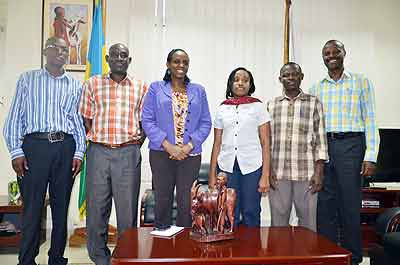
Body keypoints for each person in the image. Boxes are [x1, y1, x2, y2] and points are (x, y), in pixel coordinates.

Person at [3, 36, 86, 265]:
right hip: (34, 148)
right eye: (55, 48)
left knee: (60, 209)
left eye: (65, 49)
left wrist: (79, 152)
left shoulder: (75, 85)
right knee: (32, 208)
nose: (61, 52)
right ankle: (27, 260)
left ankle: (57, 258)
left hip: (65, 148)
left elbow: (78, 123)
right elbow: (13, 119)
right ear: (45, 51)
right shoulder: (27, 80)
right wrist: (16, 152)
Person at [310, 40, 380, 265]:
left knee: (349, 204)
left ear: (343, 54)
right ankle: (329, 255)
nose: (331, 56)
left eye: (335, 52)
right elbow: (313, 126)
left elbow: (370, 119)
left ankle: (353, 257)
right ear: (323, 58)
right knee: (325, 205)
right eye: (326, 53)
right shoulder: (316, 87)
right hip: (324, 147)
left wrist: (370, 155)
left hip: (351, 146)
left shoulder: (361, 82)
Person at [79, 43, 147, 265]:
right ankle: (100, 259)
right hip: (99, 152)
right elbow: (86, 118)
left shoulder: (140, 86)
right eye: (115, 55)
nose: (119, 58)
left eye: (124, 55)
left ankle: (124, 258)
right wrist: (99, 140)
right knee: (97, 210)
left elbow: (145, 121)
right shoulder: (93, 84)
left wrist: (135, 143)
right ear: (107, 59)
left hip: (128, 153)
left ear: (129, 60)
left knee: (127, 213)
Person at [141, 48, 212, 229]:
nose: (181, 65)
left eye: (185, 62)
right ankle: (162, 246)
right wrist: (168, 145)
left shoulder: (199, 91)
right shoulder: (156, 88)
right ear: (168, 64)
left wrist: (188, 146)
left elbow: (205, 123)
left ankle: (184, 246)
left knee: (187, 202)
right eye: (176, 61)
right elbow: (147, 120)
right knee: (162, 200)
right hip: (161, 153)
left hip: (190, 155)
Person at [267, 62, 328, 232]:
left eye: (295, 74)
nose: (291, 78)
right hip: (278, 174)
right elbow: (266, 142)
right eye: (286, 75)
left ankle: (306, 258)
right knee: (278, 224)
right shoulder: (271, 105)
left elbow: (320, 140)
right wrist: (267, 171)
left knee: (308, 224)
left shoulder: (314, 103)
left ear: (301, 77)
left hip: (306, 173)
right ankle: (280, 258)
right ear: (280, 79)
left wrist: (319, 171)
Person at [209, 67, 271, 227]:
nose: (240, 83)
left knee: (251, 211)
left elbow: (265, 143)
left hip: (252, 167)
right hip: (227, 168)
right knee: (229, 213)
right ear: (231, 84)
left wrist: (265, 176)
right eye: (236, 80)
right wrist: (211, 175)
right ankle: (231, 252)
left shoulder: (258, 107)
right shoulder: (222, 108)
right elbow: (217, 143)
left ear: (250, 84)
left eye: (245, 80)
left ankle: (252, 250)